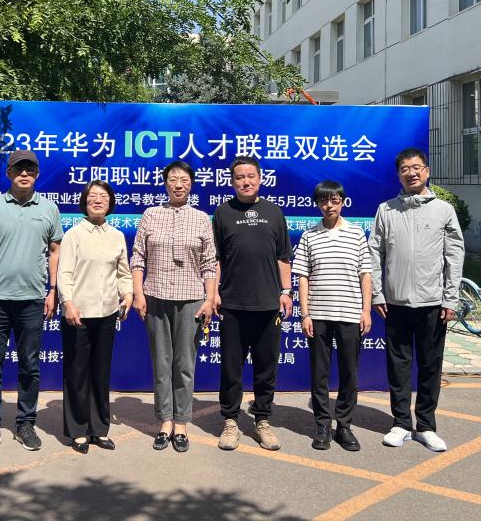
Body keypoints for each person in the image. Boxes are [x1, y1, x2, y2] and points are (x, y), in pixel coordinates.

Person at [369, 147, 465, 453]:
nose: (411, 173)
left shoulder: (443, 211)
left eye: (416, 167)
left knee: (430, 366)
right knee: (398, 366)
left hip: (433, 302)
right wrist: (377, 293)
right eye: (405, 169)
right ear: (398, 175)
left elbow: (454, 256)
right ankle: (400, 423)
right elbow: (374, 253)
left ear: (427, 171)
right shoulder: (386, 210)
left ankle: (425, 426)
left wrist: (450, 298)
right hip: (395, 303)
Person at [0, 149, 63, 456]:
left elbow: (55, 252)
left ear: (37, 174)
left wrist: (53, 290)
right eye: (19, 169)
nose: (24, 174)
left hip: (32, 300)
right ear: (8, 173)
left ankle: (25, 423)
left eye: (30, 170)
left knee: (30, 367)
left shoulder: (48, 209)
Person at [130, 160, 217, 453]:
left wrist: (209, 299)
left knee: (184, 364)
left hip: (191, 299)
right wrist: (138, 293)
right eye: (173, 179)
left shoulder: (201, 218)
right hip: (156, 296)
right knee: (162, 362)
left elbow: (209, 263)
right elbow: (138, 256)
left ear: (191, 184)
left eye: (184, 180)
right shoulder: (151, 214)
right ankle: (165, 421)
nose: (178, 185)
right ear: (165, 183)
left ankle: (181, 423)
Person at [212, 155, 293, 452]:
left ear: (260, 178)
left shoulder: (274, 212)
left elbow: (283, 256)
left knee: (265, 367)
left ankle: (262, 420)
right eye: (239, 177)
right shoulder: (223, 213)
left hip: (268, 304)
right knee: (231, 367)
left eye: (250, 176)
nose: (245, 182)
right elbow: (217, 258)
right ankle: (230, 421)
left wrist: (286, 291)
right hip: (232, 304)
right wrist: (214, 292)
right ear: (232, 182)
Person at [292, 180, 372, 452]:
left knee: (349, 373)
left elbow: (365, 274)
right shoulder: (309, 236)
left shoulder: (356, 234)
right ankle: (323, 426)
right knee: (320, 374)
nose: (329, 205)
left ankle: (345, 426)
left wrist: (366, 310)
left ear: (343, 202)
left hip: (350, 314)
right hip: (319, 315)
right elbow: (303, 277)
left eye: (334, 200)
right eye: (324, 201)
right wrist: (305, 314)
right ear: (317, 204)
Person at [57, 180, 133, 454]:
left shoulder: (116, 235)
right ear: (85, 202)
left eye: (103, 196)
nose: (98, 200)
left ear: (110, 203)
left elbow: (123, 272)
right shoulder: (74, 235)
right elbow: (64, 273)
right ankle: (78, 430)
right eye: (92, 196)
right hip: (78, 314)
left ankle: (99, 429)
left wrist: (128, 294)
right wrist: (68, 303)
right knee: (77, 373)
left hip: (107, 313)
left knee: (101, 373)